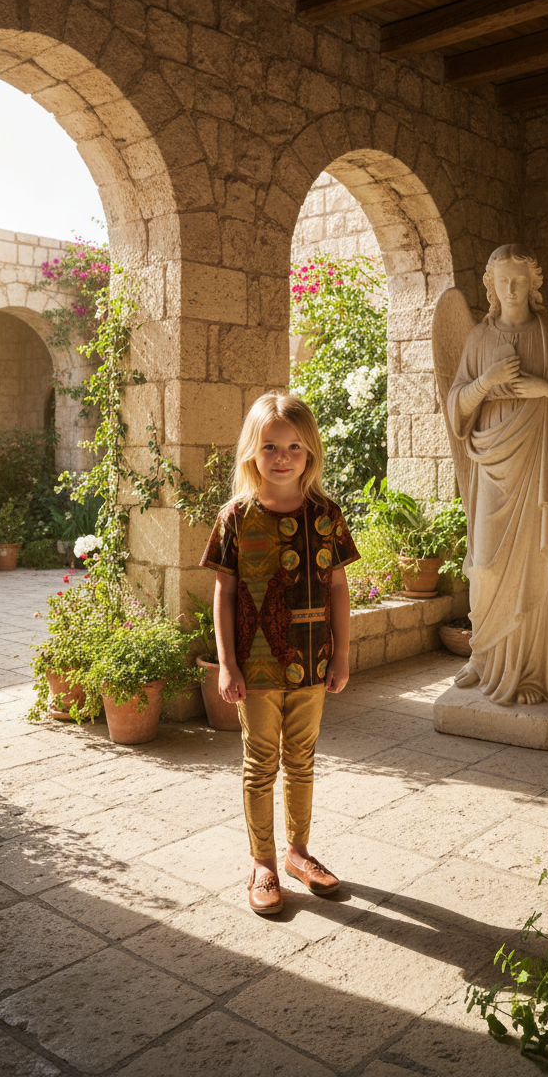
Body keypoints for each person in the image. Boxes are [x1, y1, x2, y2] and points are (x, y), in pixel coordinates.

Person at [200, 393, 359, 916]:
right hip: (257, 666)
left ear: (310, 451)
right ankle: (263, 862)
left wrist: (341, 655)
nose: (282, 456)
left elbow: (337, 586)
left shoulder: (327, 515)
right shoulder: (235, 518)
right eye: (270, 446)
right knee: (260, 762)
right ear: (252, 451)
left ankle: (298, 852)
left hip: (313, 663)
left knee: (302, 760)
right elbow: (223, 593)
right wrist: (226, 662)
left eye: (294, 445)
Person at [447, 245, 548, 706]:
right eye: (502, 282)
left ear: (534, 286)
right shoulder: (477, 338)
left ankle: (533, 673)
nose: (511, 289)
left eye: (519, 281)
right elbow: (455, 406)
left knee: (536, 557)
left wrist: (545, 388)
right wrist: (485, 383)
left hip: (543, 465)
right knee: (487, 564)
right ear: (491, 287)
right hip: (493, 466)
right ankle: (484, 658)